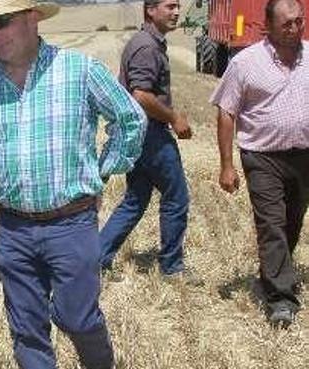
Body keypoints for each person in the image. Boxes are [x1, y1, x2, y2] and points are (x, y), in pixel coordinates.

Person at [0, 0, 146, 369]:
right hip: (13, 227)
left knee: (76, 315)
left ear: (32, 18)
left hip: (72, 222)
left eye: (1, 22)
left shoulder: (78, 71)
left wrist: (106, 168)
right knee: (25, 326)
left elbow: (130, 119)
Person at [212, 0, 308, 326]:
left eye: (299, 21)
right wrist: (227, 165)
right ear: (268, 26)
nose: (295, 29)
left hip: (303, 156)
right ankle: (281, 299)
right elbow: (226, 111)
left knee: (292, 221)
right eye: (287, 24)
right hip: (262, 156)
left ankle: (272, 271)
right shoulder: (245, 63)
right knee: (272, 224)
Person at [99, 0, 194, 279]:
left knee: (135, 199)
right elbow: (141, 95)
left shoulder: (146, 41)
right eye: (170, 6)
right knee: (177, 197)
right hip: (151, 133)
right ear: (150, 10)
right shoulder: (147, 46)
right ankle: (172, 267)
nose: (177, 12)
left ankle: (98, 257)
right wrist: (174, 118)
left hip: (138, 133)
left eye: (178, 6)